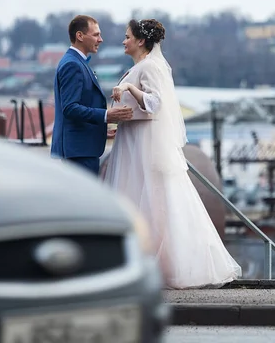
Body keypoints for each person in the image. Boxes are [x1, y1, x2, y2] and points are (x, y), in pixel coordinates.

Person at [103, 19, 242, 289]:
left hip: (143, 144)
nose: (123, 41)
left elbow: (155, 104)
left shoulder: (149, 67)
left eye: (127, 36)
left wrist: (130, 89)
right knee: (138, 198)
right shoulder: (141, 67)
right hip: (133, 140)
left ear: (140, 41)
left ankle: (162, 264)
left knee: (153, 199)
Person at [51, 15, 133, 175]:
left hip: (81, 149)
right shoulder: (72, 65)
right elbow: (70, 108)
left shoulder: (77, 62)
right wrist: (106, 115)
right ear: (79, 36)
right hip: (78, 152)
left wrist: (100, 129)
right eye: (96, 35)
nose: (100, 39)